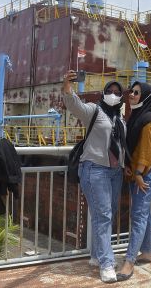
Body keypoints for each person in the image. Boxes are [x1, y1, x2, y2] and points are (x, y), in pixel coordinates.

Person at [61, 70, 126, 283]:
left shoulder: (119, 117)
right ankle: (106, 264)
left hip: (115, 172)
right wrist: (67, 84)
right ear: (104, 92)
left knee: (107, 213)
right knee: (104, 215)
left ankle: (96, 256)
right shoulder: (95, 111)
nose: (114, 94)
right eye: (110, 91)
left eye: (118, 92)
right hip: (94, 169)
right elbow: (73, 105)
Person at [117, 81, 151, 281]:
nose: (132, 95)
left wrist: (138, 174)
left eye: (136, 93)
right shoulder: (137, 116)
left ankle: (129, 261)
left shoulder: (149, 122)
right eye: (131, 91)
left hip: (146, 174)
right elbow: (132, 148)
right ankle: (148, 252)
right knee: (144, 213)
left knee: (138, 215)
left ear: (146, 97)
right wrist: (129, 164)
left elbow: (146, 152)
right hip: (138, 172)